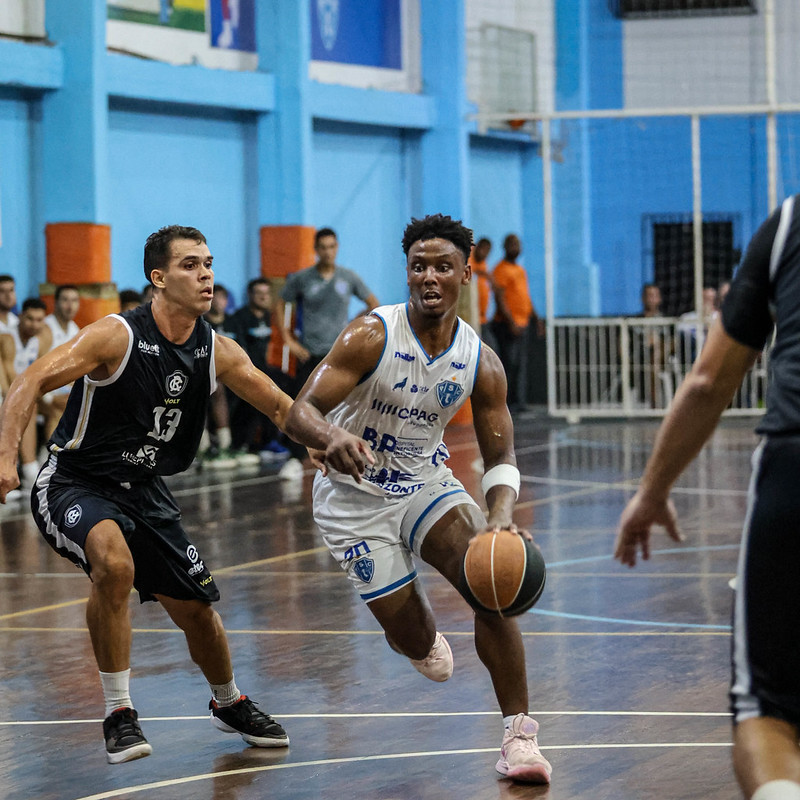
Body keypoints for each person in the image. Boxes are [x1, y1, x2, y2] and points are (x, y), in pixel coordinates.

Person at [0, 226, 294, 764]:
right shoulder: (116, 335)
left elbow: (281, 406)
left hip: (147, 490)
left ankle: (229, 702)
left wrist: (330, 440)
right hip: (76, 480)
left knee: (199, 610)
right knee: (113, 564)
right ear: (158, 278)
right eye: (189, 265)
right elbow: (29, 380)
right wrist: (3, 458)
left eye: (208, 263)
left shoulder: (216, 350)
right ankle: (118, 711)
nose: (205, 274)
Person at [285, 213, 552, 785]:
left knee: (492, 585)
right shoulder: (371, 336)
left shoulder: (481, 363)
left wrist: (500, 520)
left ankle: (520, 738)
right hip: (351, 500)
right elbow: (296, 412)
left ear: (466, 274)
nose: (429, 276)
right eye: (418, 266)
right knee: (421, 651)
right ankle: (418, 635)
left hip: (424, 483)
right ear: (407, 274)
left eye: (442, 266)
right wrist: (330, 436)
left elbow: (500, 456)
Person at [614, 194, 800, 800]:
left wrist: (652, 491)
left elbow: (708, 379)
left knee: (766, 710)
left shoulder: (790, 221)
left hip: (794, 468)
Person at [275, 227, 379, 481]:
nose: (328, 252)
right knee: (299, 408)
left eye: (332, 246)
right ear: (316, 249)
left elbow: (374, 304)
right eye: (323, 247)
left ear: (337, 248)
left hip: (340, 356)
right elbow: (279, 303)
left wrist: (354, 328)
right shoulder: (302, 278)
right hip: (309, 353)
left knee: (344, 408)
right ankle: (293, 459)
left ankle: (346, 458)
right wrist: (288, 339)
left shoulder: (348, 277)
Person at [224, 277, 289, 463]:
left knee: (286, 382)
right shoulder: (240, 318)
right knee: (259, 393)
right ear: (250, 296)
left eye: (266, 294)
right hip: (244, 368)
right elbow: (239, 351)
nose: (263, 298)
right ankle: (245, 442)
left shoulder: (268, 317)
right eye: (259, 294)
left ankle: (274, 440)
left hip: (263, 367)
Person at [0, 298, 59, 491]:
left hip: (27, 392)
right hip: (8, 391)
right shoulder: (8, 338)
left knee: (58, 407)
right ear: (21, 317)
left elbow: (43, 373)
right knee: (28, 408)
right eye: (30, 319)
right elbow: (8, 378)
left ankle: (49, 460)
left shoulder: (43, 338)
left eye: (39, 320)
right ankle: (29, 468)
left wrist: (46, 397)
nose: (34, 324)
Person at [199, 284, 259, 469]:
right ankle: (203, 447)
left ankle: (233, 444)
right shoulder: (199, 322)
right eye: (215, 297)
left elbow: (242, 353)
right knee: (212, 389)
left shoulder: (234, 322)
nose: (219, 301)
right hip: (204, 372)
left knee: (254, 390)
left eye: (223, 298)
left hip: (230, 373)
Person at [489, 234, 540, 413]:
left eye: (518, 244)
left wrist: (536, 318)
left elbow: (525, 296)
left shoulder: (520, 270)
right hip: (507, 325)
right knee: (509, 364)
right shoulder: (500, 270)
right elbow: (500, 298)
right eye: (512, 244)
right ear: (505, 247)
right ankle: (507, 404)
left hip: (523, 323)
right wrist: (510, 322)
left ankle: (519, 402)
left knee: (520, 365)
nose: (515, 248)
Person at [42, 285, 81, 439]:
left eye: (74, 300)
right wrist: (49, 397)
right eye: (65, 300)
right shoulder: (46, 329)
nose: (70, 306)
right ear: (55, 302)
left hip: (63, 389)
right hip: (44, 391)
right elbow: (37, 369)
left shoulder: (75, 330)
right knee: (62, 407)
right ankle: (47, 456)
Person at [468, 237, 497, 349]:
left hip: (483, 318)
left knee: (491, 349)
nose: (484, 254)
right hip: (471, 317)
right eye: (483, 250)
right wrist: (486, 275)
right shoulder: (469, 258)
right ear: (477, 247)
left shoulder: (483, 264)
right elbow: (469, 269)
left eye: (487, 252)